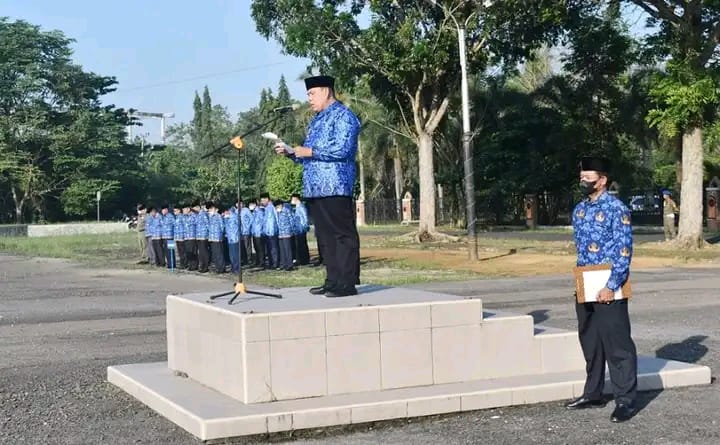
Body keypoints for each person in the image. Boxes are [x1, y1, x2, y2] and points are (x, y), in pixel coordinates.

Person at [566, 156, 637, 423]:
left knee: (617, 345)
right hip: (585, 282)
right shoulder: (580, 210)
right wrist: (580, 285)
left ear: (602, 180)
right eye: (582, 177)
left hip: (609, 284)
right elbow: (581, 250)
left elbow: (623, 251)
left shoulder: (617, 209)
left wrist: (611, 285)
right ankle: (593, 393)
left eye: (588, 177)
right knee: (591, 342)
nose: (583, 181)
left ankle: (626, 401)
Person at [275, 75, 361, 297]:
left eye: (312, 94)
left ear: (325, 91)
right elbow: (309, 154)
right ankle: (332, 279)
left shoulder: (344, 116)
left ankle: (347, 282)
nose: (309, 99)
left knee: (342, 235)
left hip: (335, 184)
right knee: (324, 236)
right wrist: (292, 153)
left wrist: (309, 152)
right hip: (314, 187)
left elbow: (344, 149)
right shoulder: (317, 120)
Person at [291, 194, 311, 265]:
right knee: (299, 245)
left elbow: (305, 217)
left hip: (301, 228)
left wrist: (305, 226)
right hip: (298, 229)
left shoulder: (301, 207)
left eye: (292, 199)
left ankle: (305, 260)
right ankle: (302, 259)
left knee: (302, 244)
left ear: (296, 199)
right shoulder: (297, 207)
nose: (291, 201)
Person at [207, 202, 225, 273]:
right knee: (214, 253)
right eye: (210, 209)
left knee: (219, 253)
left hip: (217, 237)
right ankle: (217, 267)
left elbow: (222, 226)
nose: (210, 210)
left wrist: (220, 235)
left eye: (212, 209)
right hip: (211, 237)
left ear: (216, 209)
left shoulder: (218, 216)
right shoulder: (210, 217)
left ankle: (221, 268)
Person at [276, 200, 295, 271]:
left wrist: (292, 230)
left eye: (278, 206)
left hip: (286, 233)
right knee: (282, 250)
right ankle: (283, 264)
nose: (277, 207)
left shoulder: (286, 211)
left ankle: (290, 265)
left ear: (281, 205)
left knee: (287, 250)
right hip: (280, 234)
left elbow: (291, 220)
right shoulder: (278, 212)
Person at [263, 196, 280, 270]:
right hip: (268, 232)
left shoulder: (271, 208)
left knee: (273, 248)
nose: (262, 202)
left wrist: (273, 230)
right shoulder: (267, 208)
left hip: (272, 231)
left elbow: (274, 220)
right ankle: (271, 263)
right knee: (270, 249)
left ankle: (275, 263)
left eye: (263, 200)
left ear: (267, 199)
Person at [194, 202, 210, 273]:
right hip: (199, 236)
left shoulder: (203, 214)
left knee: (204, 252)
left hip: (203, 235)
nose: (194, 209)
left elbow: (207, 224)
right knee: (200, 252)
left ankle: (205, 266)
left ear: (198, 207)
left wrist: (208, 234)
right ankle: (202, 266)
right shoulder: (197, 215)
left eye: (194, 207)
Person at [224, 206, 240, 274]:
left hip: (234, 238)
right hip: (229, 238)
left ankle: (236, 268)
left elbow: (238, 226)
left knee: (235, 255)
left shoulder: (234, 217)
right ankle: (233, 267)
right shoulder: (227, 218)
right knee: (231, 255)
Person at [159, 204, 175, 269]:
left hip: (170, 236)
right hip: (164, 236)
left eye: (163, 210)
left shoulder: (170, 216)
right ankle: (169, 263)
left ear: (166, 210)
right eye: (162, 210)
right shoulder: (162, 217)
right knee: (166, 251)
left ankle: (172, 264)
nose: (162, 211)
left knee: (171, 250)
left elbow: (174, 224)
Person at [184, 204, 198, 271]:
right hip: (186, 237)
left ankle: (194, 266)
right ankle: (190, 265)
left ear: (188, 209)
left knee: (193, 252)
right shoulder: (185, 217)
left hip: (192, 237)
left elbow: (197, 226)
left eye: (184, 209)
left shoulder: (194, 216)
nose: (183, 211)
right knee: (188, 252)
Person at [241, 199, 255, 265]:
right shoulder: (236, 211)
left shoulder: (246, 210)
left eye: (240, 203)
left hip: (246, 231)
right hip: (239, 232)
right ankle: (243, 259)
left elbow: (252, 218)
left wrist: (248, 227)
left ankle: (249, 259)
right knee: (242, 246)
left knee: (247, 246)